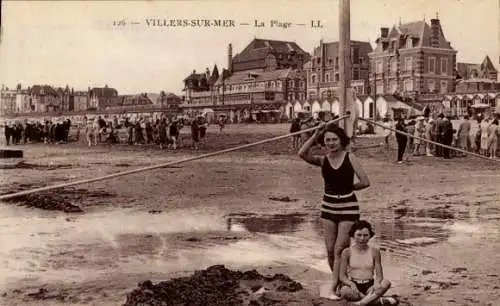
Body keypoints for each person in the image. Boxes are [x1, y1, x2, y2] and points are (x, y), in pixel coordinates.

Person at [298, 123, 370, 300]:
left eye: (334, 140)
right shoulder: (323, 160)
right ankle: (339, 283)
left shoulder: (350, 157)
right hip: (328, 208)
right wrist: (315, 135)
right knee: (330, 250)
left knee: (339, 249)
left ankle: (340, 284)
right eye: (328, 140)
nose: (331, 143)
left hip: (348, 208)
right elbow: (302, 154)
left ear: (341, 141)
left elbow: (365, 181)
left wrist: (348, 188)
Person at [339, 220, 398, 306]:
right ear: (353, 235)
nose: (362, 238)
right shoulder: (347, 252)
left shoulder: (375, 251)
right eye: (359, 235)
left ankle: (361, 303)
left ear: (370, 236)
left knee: (386, 283)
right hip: (354, 286)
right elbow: (342, 276)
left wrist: (376, 284)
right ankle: (375, 301)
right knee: (344, 290)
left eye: (365, 235)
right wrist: (351, 284)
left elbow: (379, 275)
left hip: (370, 285)